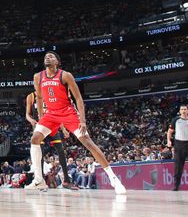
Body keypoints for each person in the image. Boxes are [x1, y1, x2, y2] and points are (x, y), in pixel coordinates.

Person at [26, 52, 126, 194]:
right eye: (46, 57)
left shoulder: (65, 75)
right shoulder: (38, 77)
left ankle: (114, 179)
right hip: (51, 114)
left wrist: (83, 121)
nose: (47, 57)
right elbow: (40, 98)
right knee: (35, 139)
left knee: (87, 142)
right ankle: (39, 180)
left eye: (51, 56)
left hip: (67, 112)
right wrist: (42, 118)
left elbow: (78, 98)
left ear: (57, 62)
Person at [25, 90, 77, 189]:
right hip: (39, 127)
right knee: (40, 153)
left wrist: (63, 129)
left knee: (61, 151)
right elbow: (27, 114)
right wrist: (31, 120)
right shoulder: (31, 96)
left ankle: (66, 181)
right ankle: (40, 181)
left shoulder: (49, 95)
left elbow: (56, 113)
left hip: (52, 125)